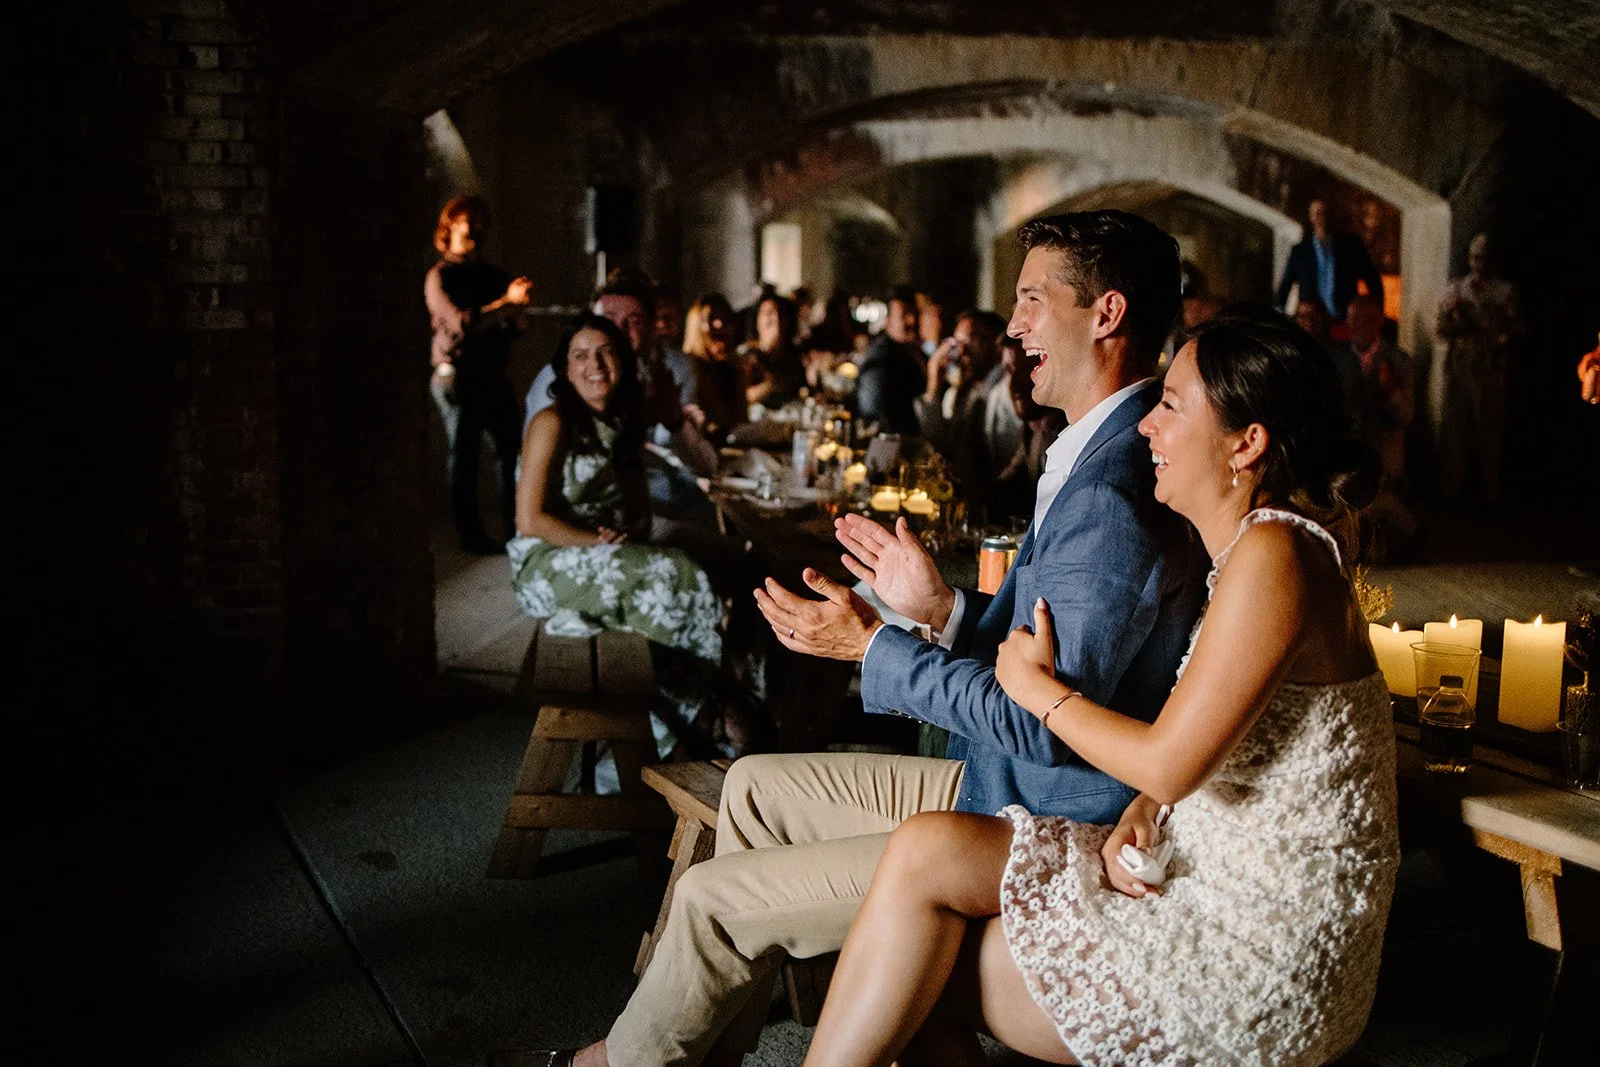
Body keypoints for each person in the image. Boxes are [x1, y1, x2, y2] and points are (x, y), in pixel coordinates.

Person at [500, 211, 1208, 1067]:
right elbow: (1036, 654)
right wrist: (944, 609)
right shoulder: (1092, 452)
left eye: (1031, 299)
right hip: (1002, 780)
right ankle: (704, 1048)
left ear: (1106, 314)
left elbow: (1044, 720)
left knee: (710, 900)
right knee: (750, 788)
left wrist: (874, 647)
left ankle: (616, 1063)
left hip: (1041, 812)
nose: (1014, 324)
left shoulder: (1112, 489)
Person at [804, 312, 1398, 1067]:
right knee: (924, 856)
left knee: (912, 964)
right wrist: (1144, 810)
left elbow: (1170, 763)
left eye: (1171, 404)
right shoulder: (1261, 550)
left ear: (1246, 444)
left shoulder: (1274, 554)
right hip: (1197, 872)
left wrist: (1037, 689)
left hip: (1255, 953)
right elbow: (1211, 741)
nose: (1146, 423)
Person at [509, 314, 727, 757]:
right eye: (581, 355)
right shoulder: (551, 422)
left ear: (623, 363)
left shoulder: (624, 426)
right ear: (565, 369)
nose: (595, 365)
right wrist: (595, 543)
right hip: (548, 560)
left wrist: (626, 536)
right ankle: (694, 722)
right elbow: (529, 519)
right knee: (673, 572)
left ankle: (685, 717)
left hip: (607, 554)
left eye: (606, 353)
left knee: (715, 562)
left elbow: (640, 515)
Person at [424, 195, 531, 553]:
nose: (478, 228)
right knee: (465, 457)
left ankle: (518, 530)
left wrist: (518, 312)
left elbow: (512, 327)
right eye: (470, 220)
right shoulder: (440, 276)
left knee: (512, 452)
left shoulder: (494, 275)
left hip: (493, 375)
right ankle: (471, 537)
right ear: (450, 225)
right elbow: (463, 324)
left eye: (483, 221)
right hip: (458, 377)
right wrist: (507, 305)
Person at [1435, 233, 1523, 504]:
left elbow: (1517, 328)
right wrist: (1457, 320)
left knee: (1490, 431)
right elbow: (1441, 329)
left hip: (1489, 367)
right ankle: (1453, 490)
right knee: (1456, 429)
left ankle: (1489, 493)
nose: (1479, 264)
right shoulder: (1456, 290)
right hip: (1460, 364)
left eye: (1484, 258)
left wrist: (1500, 336)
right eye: (1475, 258)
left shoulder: (1504, 292)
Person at [914, 309, 1009, 492]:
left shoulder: (1007, 392)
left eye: (971, 341)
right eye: (958, 342)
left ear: (996, 343)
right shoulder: (963, 390)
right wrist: (933, 385)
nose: (962, 351)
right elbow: (939, 444)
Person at [1274, 198, 1385, 324]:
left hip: (1343, 321)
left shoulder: (1351, 247)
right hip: (1311, 323)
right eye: (1317, 213)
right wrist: (1278, 318)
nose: (1321, 218)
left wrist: (1378, 312)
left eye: (1325, 213)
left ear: (1332, 216)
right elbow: (1285, 286)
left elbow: (1373, 281)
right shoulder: (1300, 251)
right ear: (1311, 217)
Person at [855, 287, 928, 435]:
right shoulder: (881, 359)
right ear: (887, 321)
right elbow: (875, 413)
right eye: (903, 315)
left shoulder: (914, 350)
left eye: (915, 313)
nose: (912, 321)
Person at [680, 293, 746, 443]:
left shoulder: (729, 367)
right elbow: (722, 419)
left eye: (726, 319)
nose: (720, 324)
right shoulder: (689, 368)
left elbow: (740, 422)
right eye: (711, 319)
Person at [738, 292, 806, 409]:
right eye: (768, 313)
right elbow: (739, 398)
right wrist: (770, 385)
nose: (776, 318)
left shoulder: (792, 355)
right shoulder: (746, 355)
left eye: (781, 313)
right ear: (757, 321)